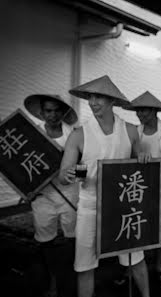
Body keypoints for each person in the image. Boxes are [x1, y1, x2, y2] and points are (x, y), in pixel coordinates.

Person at [58, 75, 151, 297]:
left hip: (122, 205)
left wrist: (144, 159)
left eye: (98, 96)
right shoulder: (79, 134)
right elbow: (63, 175)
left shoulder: (130, 130)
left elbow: (144, 170)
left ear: (112, 101)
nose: (92, 101)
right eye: (90, 96)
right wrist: (67, 174)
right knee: (84, 265)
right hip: (90, 205)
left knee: (135, 259)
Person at [124, 90, 161, 283]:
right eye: (138, 110)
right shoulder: (134, 133)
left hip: (160, 188)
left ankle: (158, 264)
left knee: (160, 229)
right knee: (134, 225)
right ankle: (130, 268)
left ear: (155, 111)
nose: (140, 114)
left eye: (145, 110)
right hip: (137, 188)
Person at [24, 94, 79, 297]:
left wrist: (78, 179)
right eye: (48, 110)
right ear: (42, 112)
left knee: (73, 236)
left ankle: (76, 272)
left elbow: (82, 161)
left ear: (63, 112)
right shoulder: (34, 135)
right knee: (45, 238)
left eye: (57, 110)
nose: (52, 115)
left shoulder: (72, 135)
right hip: (43, 196)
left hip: (69, 192)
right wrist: (26, 190)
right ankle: (52, 278)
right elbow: (23, 167)